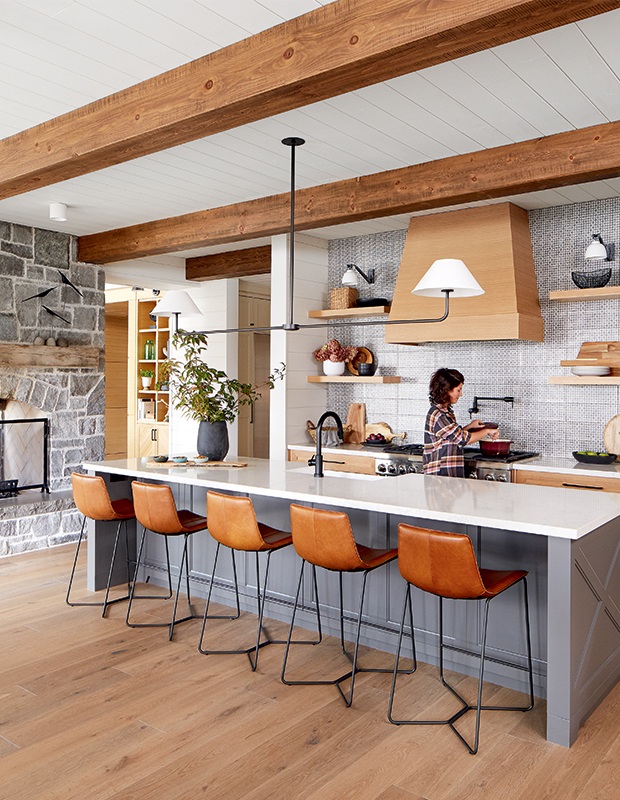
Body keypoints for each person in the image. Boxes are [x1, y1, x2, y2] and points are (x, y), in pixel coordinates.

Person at [423, 368, 499, 478]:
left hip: (447, 476)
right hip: (440, 477)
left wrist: (470, 426)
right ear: (447, 390)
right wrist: (486, 431)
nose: (461, 394)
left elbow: (450, 436)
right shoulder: (439, 415)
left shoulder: (445, 411)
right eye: (458, 390)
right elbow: (463, 439)